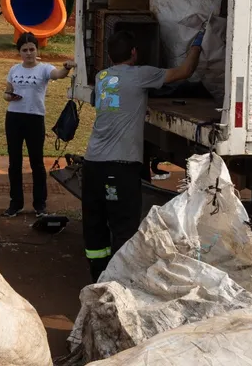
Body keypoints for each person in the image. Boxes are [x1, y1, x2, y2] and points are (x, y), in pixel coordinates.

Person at [83, 29, 203, 282]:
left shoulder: (102, 76)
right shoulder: (141, 75)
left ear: (109, 55)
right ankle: (118, 282)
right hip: (120, 166)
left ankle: (97, 277)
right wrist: (197, 44)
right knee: (123, 226)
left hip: (93, 163)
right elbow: (184, 72)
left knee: (95, 224)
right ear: (134, 53)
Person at [2, 33, 74, 218]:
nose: (28, 53)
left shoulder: (44, 69)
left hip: (34, 119)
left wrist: (66, 67)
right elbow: (7, 93)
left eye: (31, 49)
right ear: (19, 52)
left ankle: (40, 205)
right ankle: (15, 203)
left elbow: (58, 75)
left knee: (37, 162)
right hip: (14, 118)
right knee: (14, 162)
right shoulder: (14, 69)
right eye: (24, 50)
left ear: (37, 50)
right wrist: (9, 96)